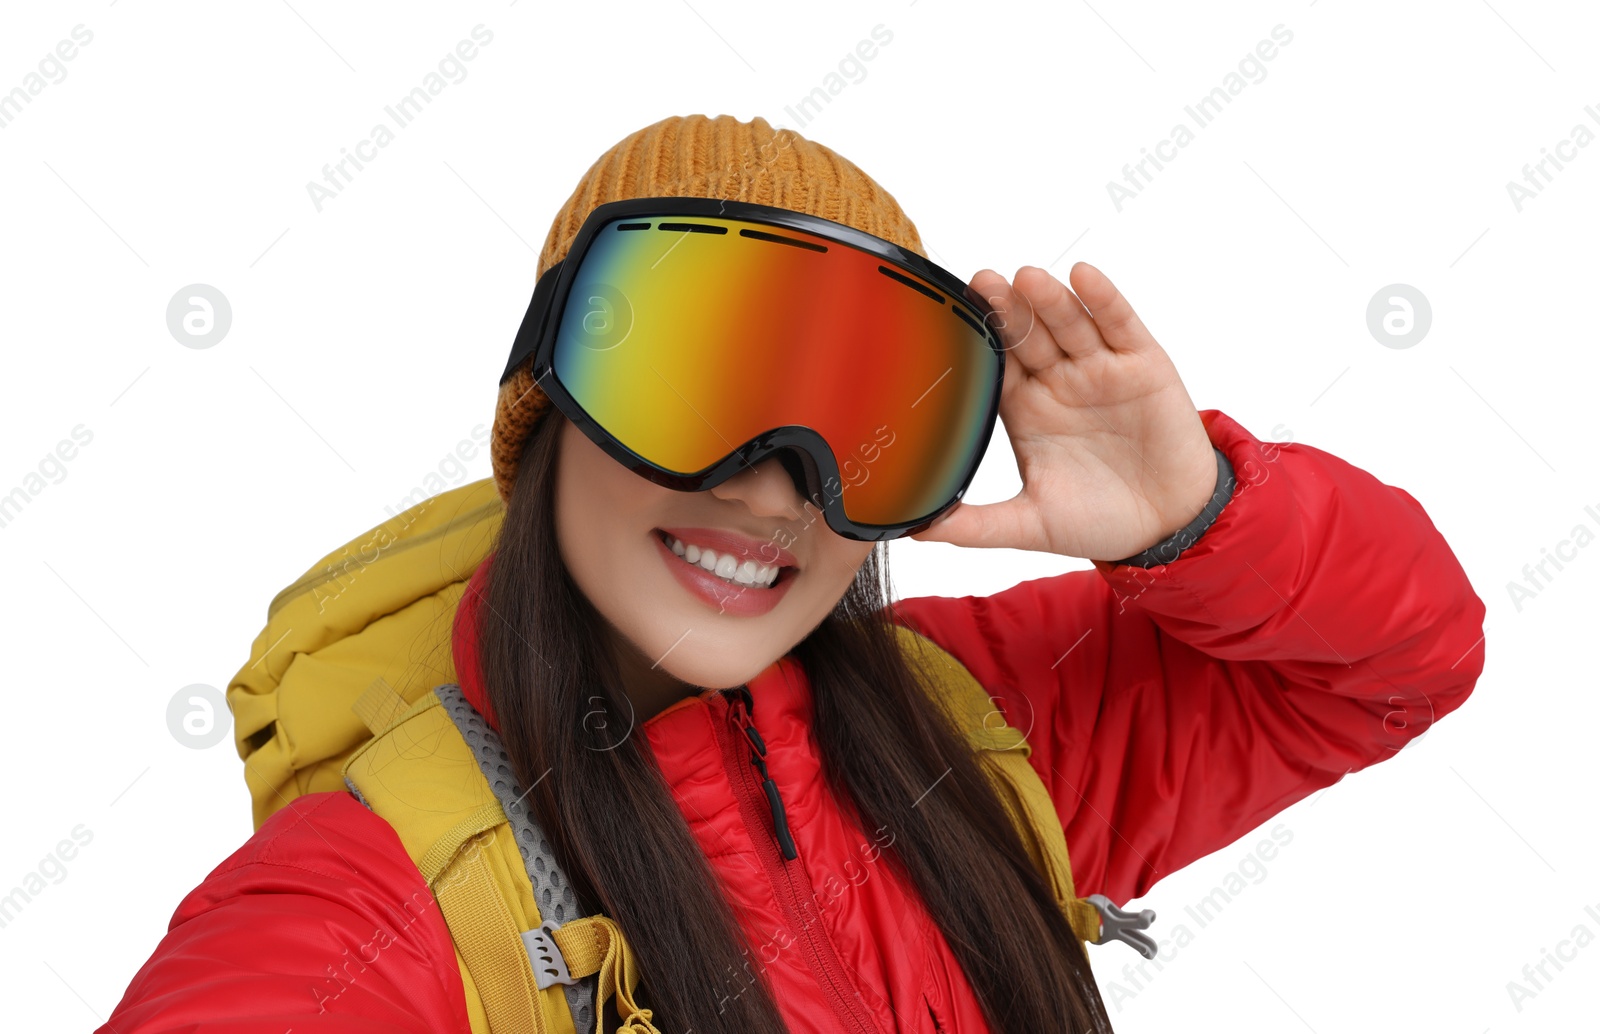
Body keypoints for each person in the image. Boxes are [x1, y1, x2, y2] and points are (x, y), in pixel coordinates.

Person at [96, 113, 1486, 1034]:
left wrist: (1193, 520)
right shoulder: (369, 908)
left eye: (865, 426)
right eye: (694, 378)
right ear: (552, 393)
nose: (771, 486)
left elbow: (1396, 660)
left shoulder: (981, 731)